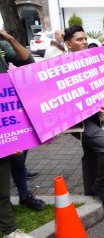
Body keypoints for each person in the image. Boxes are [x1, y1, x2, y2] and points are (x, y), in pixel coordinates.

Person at [64, 25, 104, 204]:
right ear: (68, 44)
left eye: (85, 38)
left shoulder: (89, 61)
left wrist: (101, 106)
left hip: (93, 118)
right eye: (79, 39)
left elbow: (95, 90)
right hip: (77, 122)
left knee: (91, 155)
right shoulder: (60, 67)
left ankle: (90, 196)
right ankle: (102, 186)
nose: (85, 42)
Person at [0, 29, 35, 238]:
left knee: (3, 185)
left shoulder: (3, 46)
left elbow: (27, 61)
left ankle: (10, 230)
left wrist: (9, 38)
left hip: (3, 120)